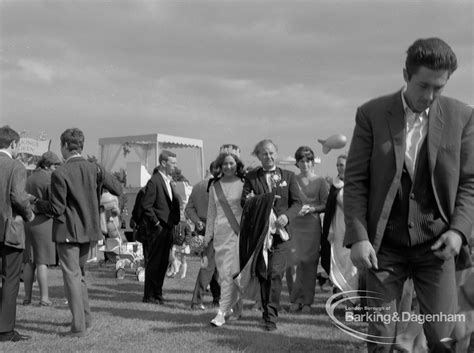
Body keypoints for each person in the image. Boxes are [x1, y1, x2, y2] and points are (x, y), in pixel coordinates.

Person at [343, 38, 474, 352]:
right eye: (423, 86)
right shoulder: (371, 114)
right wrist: (359, 236)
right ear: (406, 74)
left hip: (437, 246)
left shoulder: (462, 116)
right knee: (381, 338)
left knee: (444, 337)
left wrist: (458, 231)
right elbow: (356, 180)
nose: (429, 96)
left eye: (439, 88)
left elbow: (469, 182)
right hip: (383, 247)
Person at [36, 128, 122, 337]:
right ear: (81, 146)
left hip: (68, 231)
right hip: (90, 231)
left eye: (61, 146)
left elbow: (56, 208)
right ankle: (85, 320)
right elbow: (118, 188)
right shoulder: (95, 168)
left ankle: (78, 326)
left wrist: (37, 204)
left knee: (72, 277)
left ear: (66, 146)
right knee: (80, 276)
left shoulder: (60, 172)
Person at [241, 139, 302, 331]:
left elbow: (297, 203)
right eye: (263, 153)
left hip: (280, 235)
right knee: (264, 274)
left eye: (271, 152)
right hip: (260, 235)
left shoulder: (289, 176)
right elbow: (244, 202)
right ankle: (265, 311)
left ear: (277, 153)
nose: (268, 156)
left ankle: (271, 317)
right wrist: (258, 201)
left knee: (276, 274)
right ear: (258, 156)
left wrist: (286, 216)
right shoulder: (251, 177)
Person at [0, 126, 35, 342]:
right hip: (9, 230)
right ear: (13, 144)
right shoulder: (16, 166)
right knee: (11, 279)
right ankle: (5, 330)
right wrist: (30, 214)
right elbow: (18, 198)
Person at [204, 150, 245, 327]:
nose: (228, 166)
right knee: (224, 275)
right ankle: (236, 309)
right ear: (220, 167)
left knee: (232, 274)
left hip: (238, 234)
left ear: (237, 165)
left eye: (231, 163)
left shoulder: (244, 183)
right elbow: (211, 213)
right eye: (225, 164)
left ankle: (221, 312)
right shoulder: (215, 187)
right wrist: (207, 237)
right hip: (221, 235)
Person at [288, 146, 328, 314]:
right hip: (294, 225)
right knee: (293, 263)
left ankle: (307, 302)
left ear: (313, 162)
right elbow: (287, 202)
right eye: (301, 160)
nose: (305, 164)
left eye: (308, 160)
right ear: (297, 163)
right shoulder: (291, 179)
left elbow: (326, 204)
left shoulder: (320, 181)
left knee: (309, 264)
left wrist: (312, 209)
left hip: (311, 225)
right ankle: (295, 299)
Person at [140, 150, 181, 304]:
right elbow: (147, 206)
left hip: (168, 229)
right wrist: (156, 223)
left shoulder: (168, 181)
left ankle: (158, 293)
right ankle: (149, 295)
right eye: (173, 163)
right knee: (154, 263)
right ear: (164, 163)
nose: (175, 166)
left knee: (163, 263)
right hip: (158, 229)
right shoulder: (155, 181)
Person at [22, 151, 62, 307]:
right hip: (43, 221)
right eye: (55, 165)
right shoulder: (50, 179)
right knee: (42, 261)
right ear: (47, 165)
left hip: (28, 220)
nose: (56, 168)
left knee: (28, 261)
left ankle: (27, 297)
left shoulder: (29, 177)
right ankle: (44, 297)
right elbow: (53, 205)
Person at [321, 154, 359, 295]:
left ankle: (354, 300)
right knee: (337, 264)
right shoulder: (335, 185)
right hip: (337, 230)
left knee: (352, 266)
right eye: (337, 165)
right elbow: (330, 210)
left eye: (342, 164)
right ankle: (342, 296)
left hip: (353, 230)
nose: (339, 167)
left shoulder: (357, 184)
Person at [186, 161, 221, 310]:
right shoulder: (218, 186)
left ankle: (217, 298)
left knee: (212, 265)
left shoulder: (197, 186)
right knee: (209, 266)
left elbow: (188, 208)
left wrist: (197, 221)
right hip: (216, 227)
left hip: (202, 227)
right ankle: (197, 300)